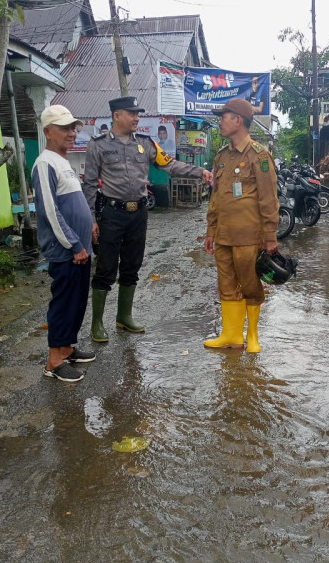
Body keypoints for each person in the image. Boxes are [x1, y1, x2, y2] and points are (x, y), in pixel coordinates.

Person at [83, 96, 211, 343]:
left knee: (132, 265)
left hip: (139, 214)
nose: (136, 118)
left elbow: (170, 165)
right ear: (117, 115)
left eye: (137, 114)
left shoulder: (145, 143)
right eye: (132, 113)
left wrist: (199, 172)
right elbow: (89, 185)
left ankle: (124, 317)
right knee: (106, 267)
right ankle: (97, 323)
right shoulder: (98, 146)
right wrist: (90, 219)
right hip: (112, 213)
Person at [203, 98, 279, 353]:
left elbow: (269, 198)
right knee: (225, 285)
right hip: (224, 234)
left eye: (224, 116)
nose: (220, 121)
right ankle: (231, 335)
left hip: (249, 236)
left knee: (250, 284)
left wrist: (270, 236)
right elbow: (216, 197)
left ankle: (253, 335)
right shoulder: (222, 156)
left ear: (237, 119)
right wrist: (211, 230)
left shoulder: (259, 155)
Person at [32, 105, 96, 383]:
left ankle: (67, 348)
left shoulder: (63, 162)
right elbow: (49, 210)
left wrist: (89, 226)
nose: (72, 133)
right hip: (66, 251)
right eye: (65, 128)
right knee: (63, 303)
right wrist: (74, 244)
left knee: (77, 301)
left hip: (80, 250)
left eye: (73, 127)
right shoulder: (45, 162)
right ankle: (54, 361)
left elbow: (74, 204)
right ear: (48, 132)